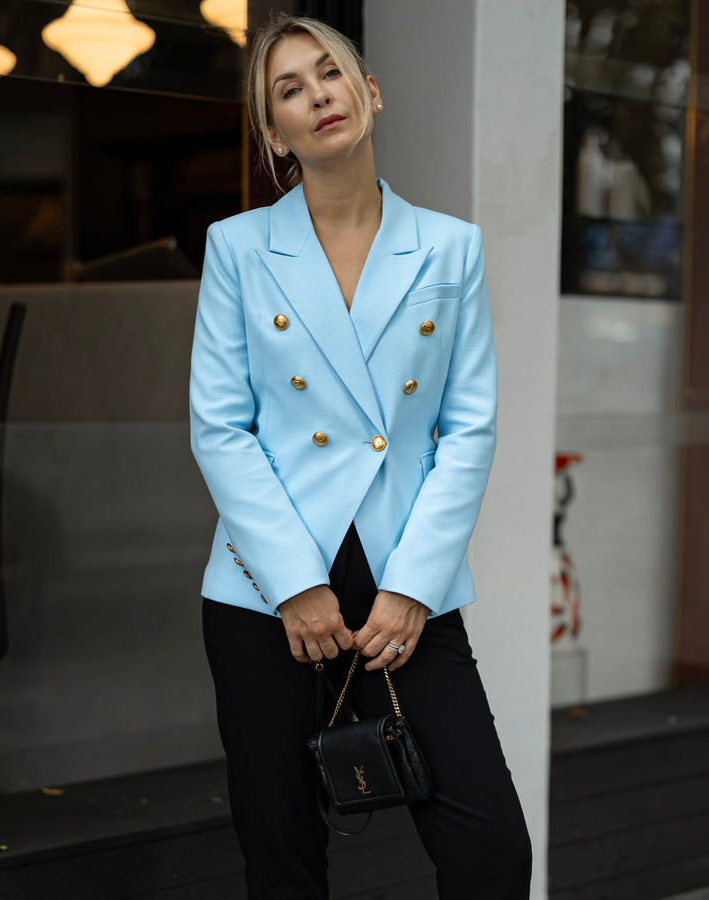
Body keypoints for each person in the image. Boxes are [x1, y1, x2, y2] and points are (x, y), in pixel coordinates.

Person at [190, 12, 532, 900]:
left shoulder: (451, 247)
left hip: (401, 592)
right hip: (268, 592)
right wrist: (294, 586)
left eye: (329, 74)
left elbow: (469, 426)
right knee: (285, 863)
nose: (317, 97)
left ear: (368, 92)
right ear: (275, 133)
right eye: (289, 91)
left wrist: (415, 585)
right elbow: (220, 427)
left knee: (491, 852)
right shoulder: (237, 248)